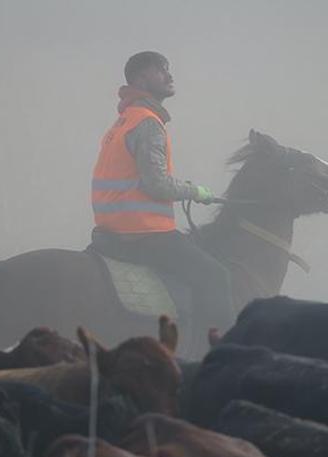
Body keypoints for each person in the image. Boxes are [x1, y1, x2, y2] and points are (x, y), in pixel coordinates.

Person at [91, 51, 233, 355]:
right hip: (143, 233)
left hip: (112, 230)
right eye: (161, 71)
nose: (170, 76)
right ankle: (216, 355)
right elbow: (156, 183)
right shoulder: (148, 123)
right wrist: (197, 192)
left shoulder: (122, 122)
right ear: (141, 78)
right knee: (216, 275)